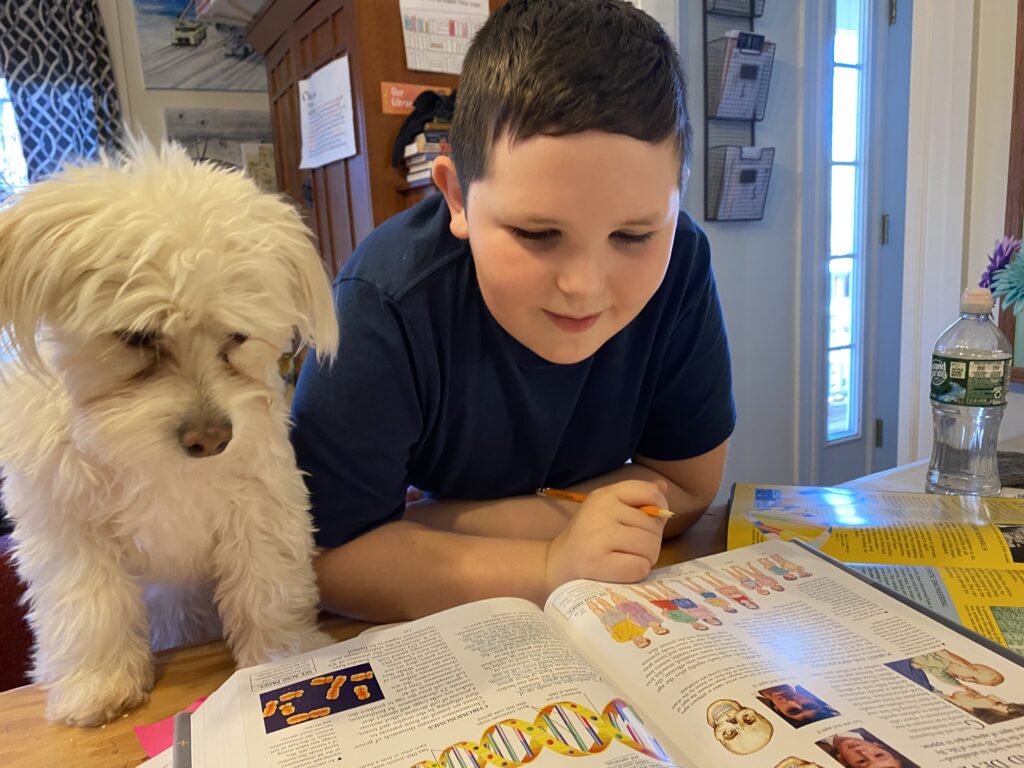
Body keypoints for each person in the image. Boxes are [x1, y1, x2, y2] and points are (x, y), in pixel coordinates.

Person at [291, 0, 735, 621]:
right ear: (456, 197)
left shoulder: (682, 263)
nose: (583, 286)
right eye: (536, 233)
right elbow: (325, 558)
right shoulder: (381, 305)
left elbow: (688, 486)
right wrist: (551, 562)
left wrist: (435, 521)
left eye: (634, 236)